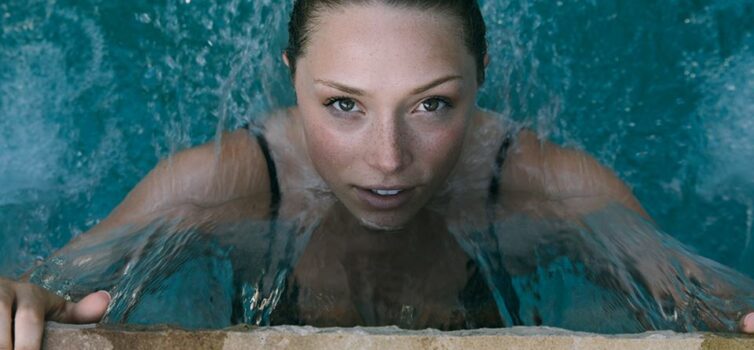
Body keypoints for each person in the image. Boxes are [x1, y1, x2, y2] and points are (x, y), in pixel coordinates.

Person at [2, 0, 754, 348]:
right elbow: (55, 283)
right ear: (290, 78)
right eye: (343, 105)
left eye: (432, 104)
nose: (388, 160)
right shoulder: (221, 182)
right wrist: (19, 297)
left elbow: (697, 298)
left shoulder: (547, 185)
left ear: (481, 77)